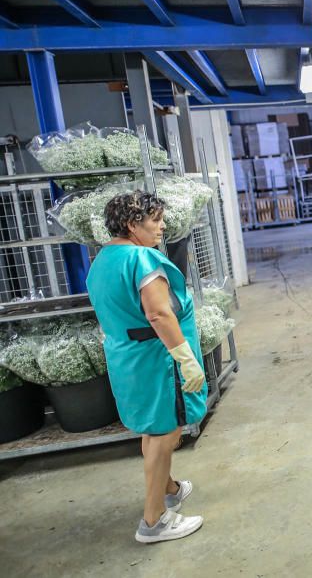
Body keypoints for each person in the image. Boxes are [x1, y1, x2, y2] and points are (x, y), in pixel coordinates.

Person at [86, 191, 208, 544]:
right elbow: (157, 313)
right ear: (131, 225)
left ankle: (169, 489)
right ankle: (153, 521)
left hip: (127, 358)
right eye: (155, 220)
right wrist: (185, 359)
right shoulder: (140, 259)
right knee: (164, 434)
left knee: (152, 428)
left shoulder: (103, 259)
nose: (162, 226)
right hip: (157, 359)